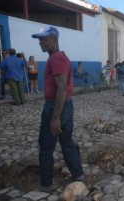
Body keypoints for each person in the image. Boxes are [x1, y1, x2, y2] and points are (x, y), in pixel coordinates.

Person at [32, 25, 84, 192]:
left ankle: (46, 184)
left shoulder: (55, 59)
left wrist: (55, 117)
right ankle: (79, 175)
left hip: (56, 106)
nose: (40, 42)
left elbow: (61, 87)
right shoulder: (61, 57)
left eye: (44, 39)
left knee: (46, 146)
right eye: (39, 39)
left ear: (54, 39)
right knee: (67, 142)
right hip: (66, 105)